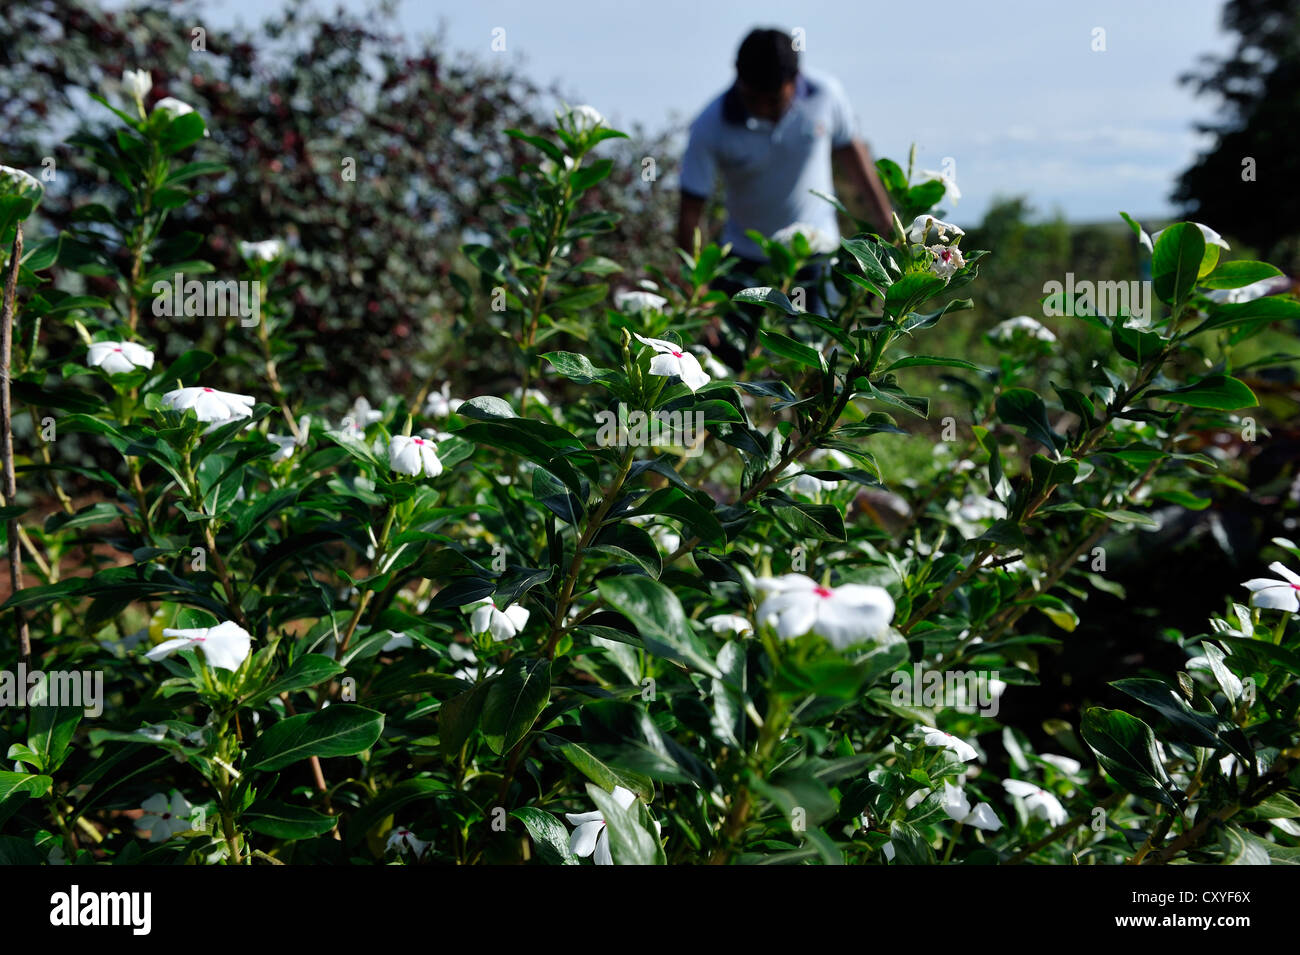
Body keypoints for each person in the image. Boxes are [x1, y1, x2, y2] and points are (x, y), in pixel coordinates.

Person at [677, 27, 895, 369]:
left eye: (775, 100)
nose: (765, 110)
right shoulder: (711, 125)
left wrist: (886, 222)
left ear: (796, 78)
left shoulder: (826, 96)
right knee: (726, 369)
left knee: (817, 368)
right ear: (739, 80)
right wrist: (699, 294)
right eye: (755, 100)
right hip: (745, 267)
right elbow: (690, 211)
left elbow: (854, 156)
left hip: (817, 261)